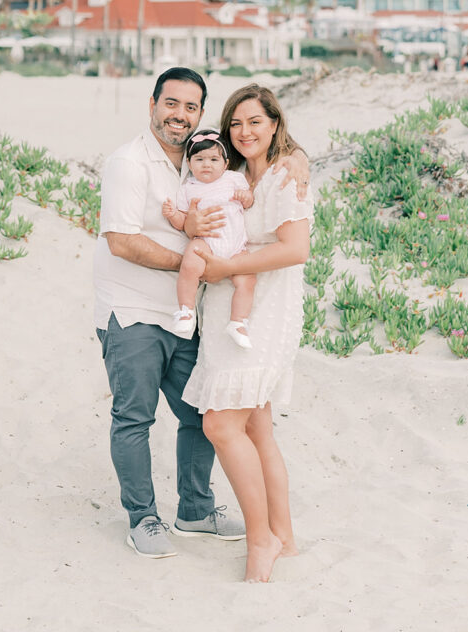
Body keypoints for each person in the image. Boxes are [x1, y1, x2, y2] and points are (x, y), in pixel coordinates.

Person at [94, 67, 309, 560]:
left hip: (191, 313)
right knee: (134, 418)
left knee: (201, 413)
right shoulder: (129, 162)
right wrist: (201, 263)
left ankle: (194, 508)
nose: (180, 115)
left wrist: (297, 156)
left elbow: (264, 156)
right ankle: (142, 517)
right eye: (171, 104)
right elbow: (121, 240)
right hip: (134, 311)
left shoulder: (202, 161)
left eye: (191, 107)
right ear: (152, 103)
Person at [181, 83, 313, 584]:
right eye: (236, 123)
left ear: (275, 124)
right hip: (226, 309)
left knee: (220, 425)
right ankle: (284, 534)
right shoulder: (232, 177)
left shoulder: (285, 175)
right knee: (256, 428)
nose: (245, 131)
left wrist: (228, 264)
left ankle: (260, 538)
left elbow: (295, 249)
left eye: (255, 121)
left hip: (266, 308)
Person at [162, 129, 256, 349]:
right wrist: (172, 214)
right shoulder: (188, 188)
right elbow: (183, 222)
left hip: (235, 245)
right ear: (189, 163)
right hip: (206, 243)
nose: (207, 164)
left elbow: (249, 200)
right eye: (200, 159)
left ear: (225, 164)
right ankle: (186, 311)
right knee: (190, 262)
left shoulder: (234, 179)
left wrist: (246, 196)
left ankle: (238, 322)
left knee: (247, 280)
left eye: (214, 159)